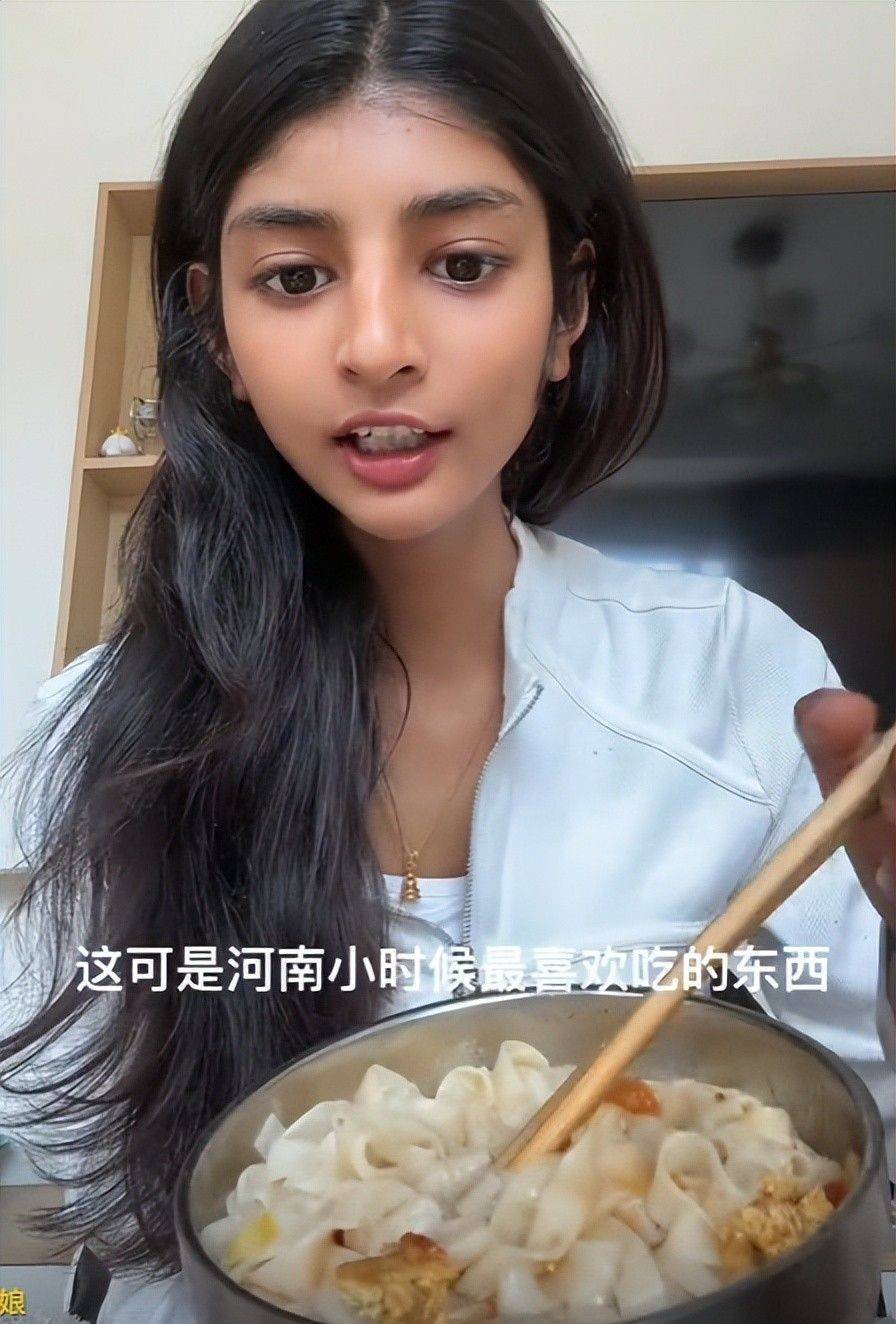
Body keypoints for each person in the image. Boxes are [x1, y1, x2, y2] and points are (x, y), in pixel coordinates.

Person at [1, 1, 893, 1320]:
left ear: (569, 306)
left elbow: (842, 1152)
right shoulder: (89, 740)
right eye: (294, 277)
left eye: (463, 262)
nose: (376, 345)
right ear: (216, 331)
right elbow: (103, 1196)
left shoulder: (741, 678)